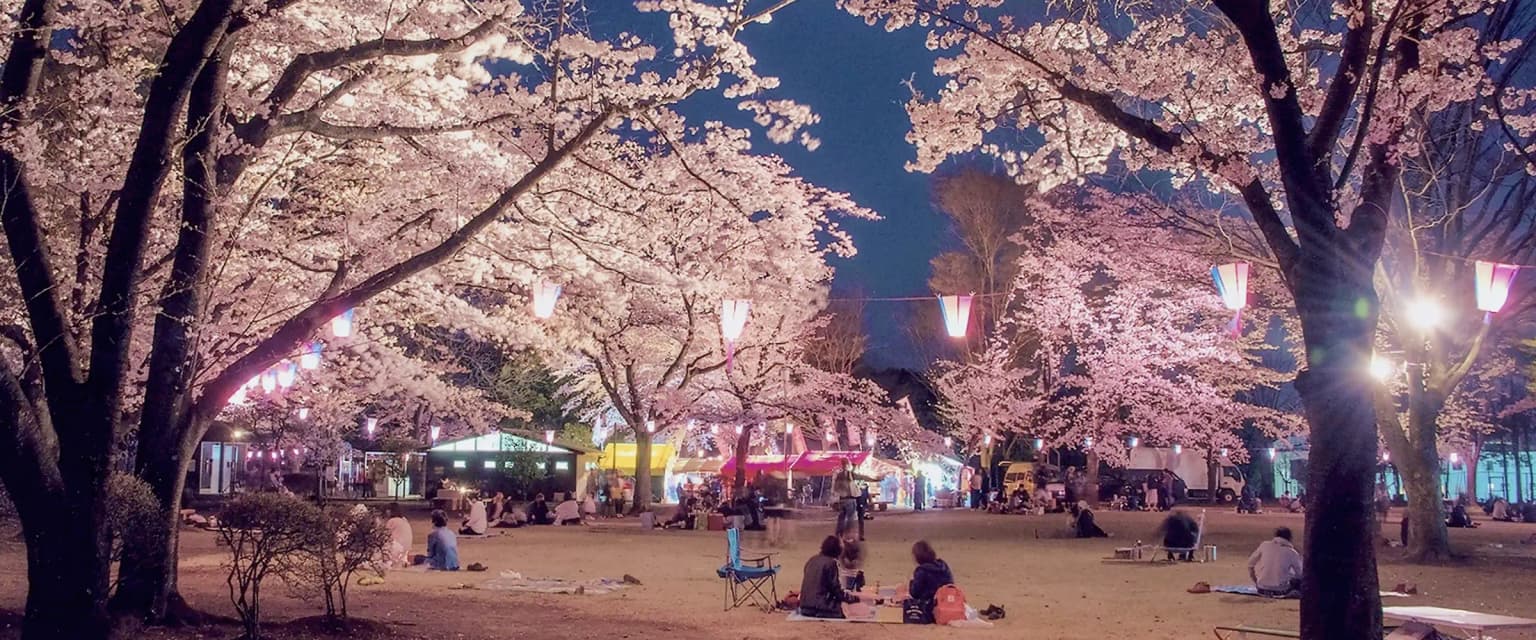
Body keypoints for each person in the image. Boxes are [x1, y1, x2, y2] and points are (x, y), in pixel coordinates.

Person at [798, 535, 862, 619]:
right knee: (856, 609)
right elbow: (836, 590)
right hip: (821, 607)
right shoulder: (830, 563)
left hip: (804, 608)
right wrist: (853, 599)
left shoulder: (812, 560)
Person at [905, 540, 954, 624]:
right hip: (948, 603)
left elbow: (914, 593)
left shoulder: (922, 571)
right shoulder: (943, 566)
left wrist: (911, 581)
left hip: (929, 608)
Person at [1248, 527, 1303, 597]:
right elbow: (1300, 574)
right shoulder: (1292, 552)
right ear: (1289, 538)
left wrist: (1256, 581)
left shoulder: (1264, 545)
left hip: (1262, 589)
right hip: (1280, 591)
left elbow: (1250, 564)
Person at [833, 459, 860, 536]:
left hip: (842, 499)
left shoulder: (839, 475)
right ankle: (848, 533)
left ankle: (839, 533)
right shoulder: (849, 474)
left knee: (841, 517)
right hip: (850, 499)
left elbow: (836, 488)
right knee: (850, 518)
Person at [383, 503, 413, 569]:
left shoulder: (391, 521)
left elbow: (384, 536)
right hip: (406, 549)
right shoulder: (404, 520)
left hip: (396, 548)